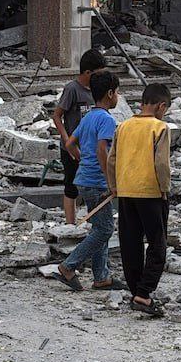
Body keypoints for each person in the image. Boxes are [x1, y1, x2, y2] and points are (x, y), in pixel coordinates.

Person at [107, 83, 172, 317]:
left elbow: (112, 159)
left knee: (130, 243)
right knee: (157, 244)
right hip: (151, 192)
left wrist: (114, 186)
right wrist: (164, 188)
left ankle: (136, 290)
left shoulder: (123, 126)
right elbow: (161, 163)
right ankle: (144, 294)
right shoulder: (159, 127)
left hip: (126, 192)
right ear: (161, 106)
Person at [55, 70, 121, 292]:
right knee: (105, 229)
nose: (118, 96)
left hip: (83, 179)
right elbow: (103, 149)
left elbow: (69, 143)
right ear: (110, 94)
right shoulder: (107, 119)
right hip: (96, 182)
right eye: (117, 92)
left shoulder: (89, 117)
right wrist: (110, 181)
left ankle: (101, 276)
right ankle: (68, 266)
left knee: (100, 226)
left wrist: (83, 159)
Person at [52, 49, 107, 224]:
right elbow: (57, 116)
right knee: (71, 186)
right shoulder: (72, 89)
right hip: (72, 147)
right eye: (98, 74)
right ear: (87, 72)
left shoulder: (97, 90)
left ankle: (92, 220)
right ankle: (70, 224)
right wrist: (68, 141)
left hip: (90, 147)